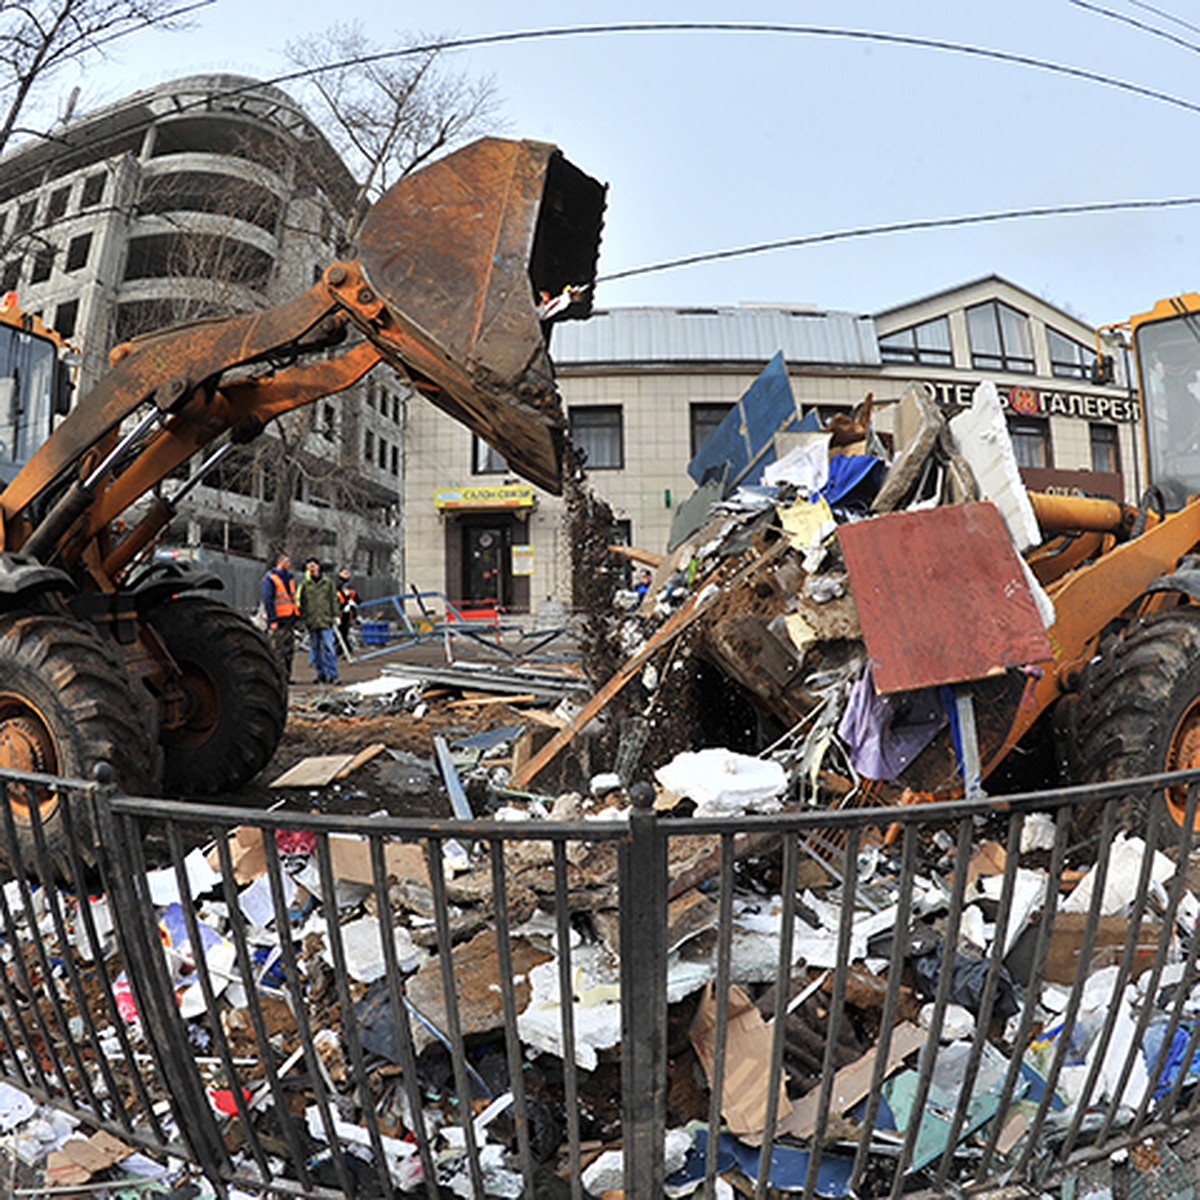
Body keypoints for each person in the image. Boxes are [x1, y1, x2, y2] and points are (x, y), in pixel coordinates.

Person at [296, 557, 339, 684]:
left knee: (329, 648)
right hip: (312, 621)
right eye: (309, 567)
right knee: (315, 649)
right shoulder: (304, 584)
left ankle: (333, 674)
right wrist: (302, 618)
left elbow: (333, 599)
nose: (311, 569)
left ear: (318, 567)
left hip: (325, 620)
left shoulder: (327, 583)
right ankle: (321, 674)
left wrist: (336, 615)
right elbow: (300, 602)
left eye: (313, 566)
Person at [260, 552, 298, 683]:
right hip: (279, 620)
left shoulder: (290, 578)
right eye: (287, 562)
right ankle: (278, 677)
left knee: (289, 650)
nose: (289, 564)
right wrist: (272, 620)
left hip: (289, 618)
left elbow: (292, 597)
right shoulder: (271, 579)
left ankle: (287, 677)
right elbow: (268, 600)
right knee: (277, 650)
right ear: (280, 562)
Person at [336, 568, 359, 655]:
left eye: (347, 573)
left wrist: (353, 604)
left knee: (344, 632)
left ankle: (344, 650)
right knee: (340, 633)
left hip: (348, 614)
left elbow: (357, 599)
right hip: (339, 613)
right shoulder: (337, 587)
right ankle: (343, 650)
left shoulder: (352, 586)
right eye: (344, 573)